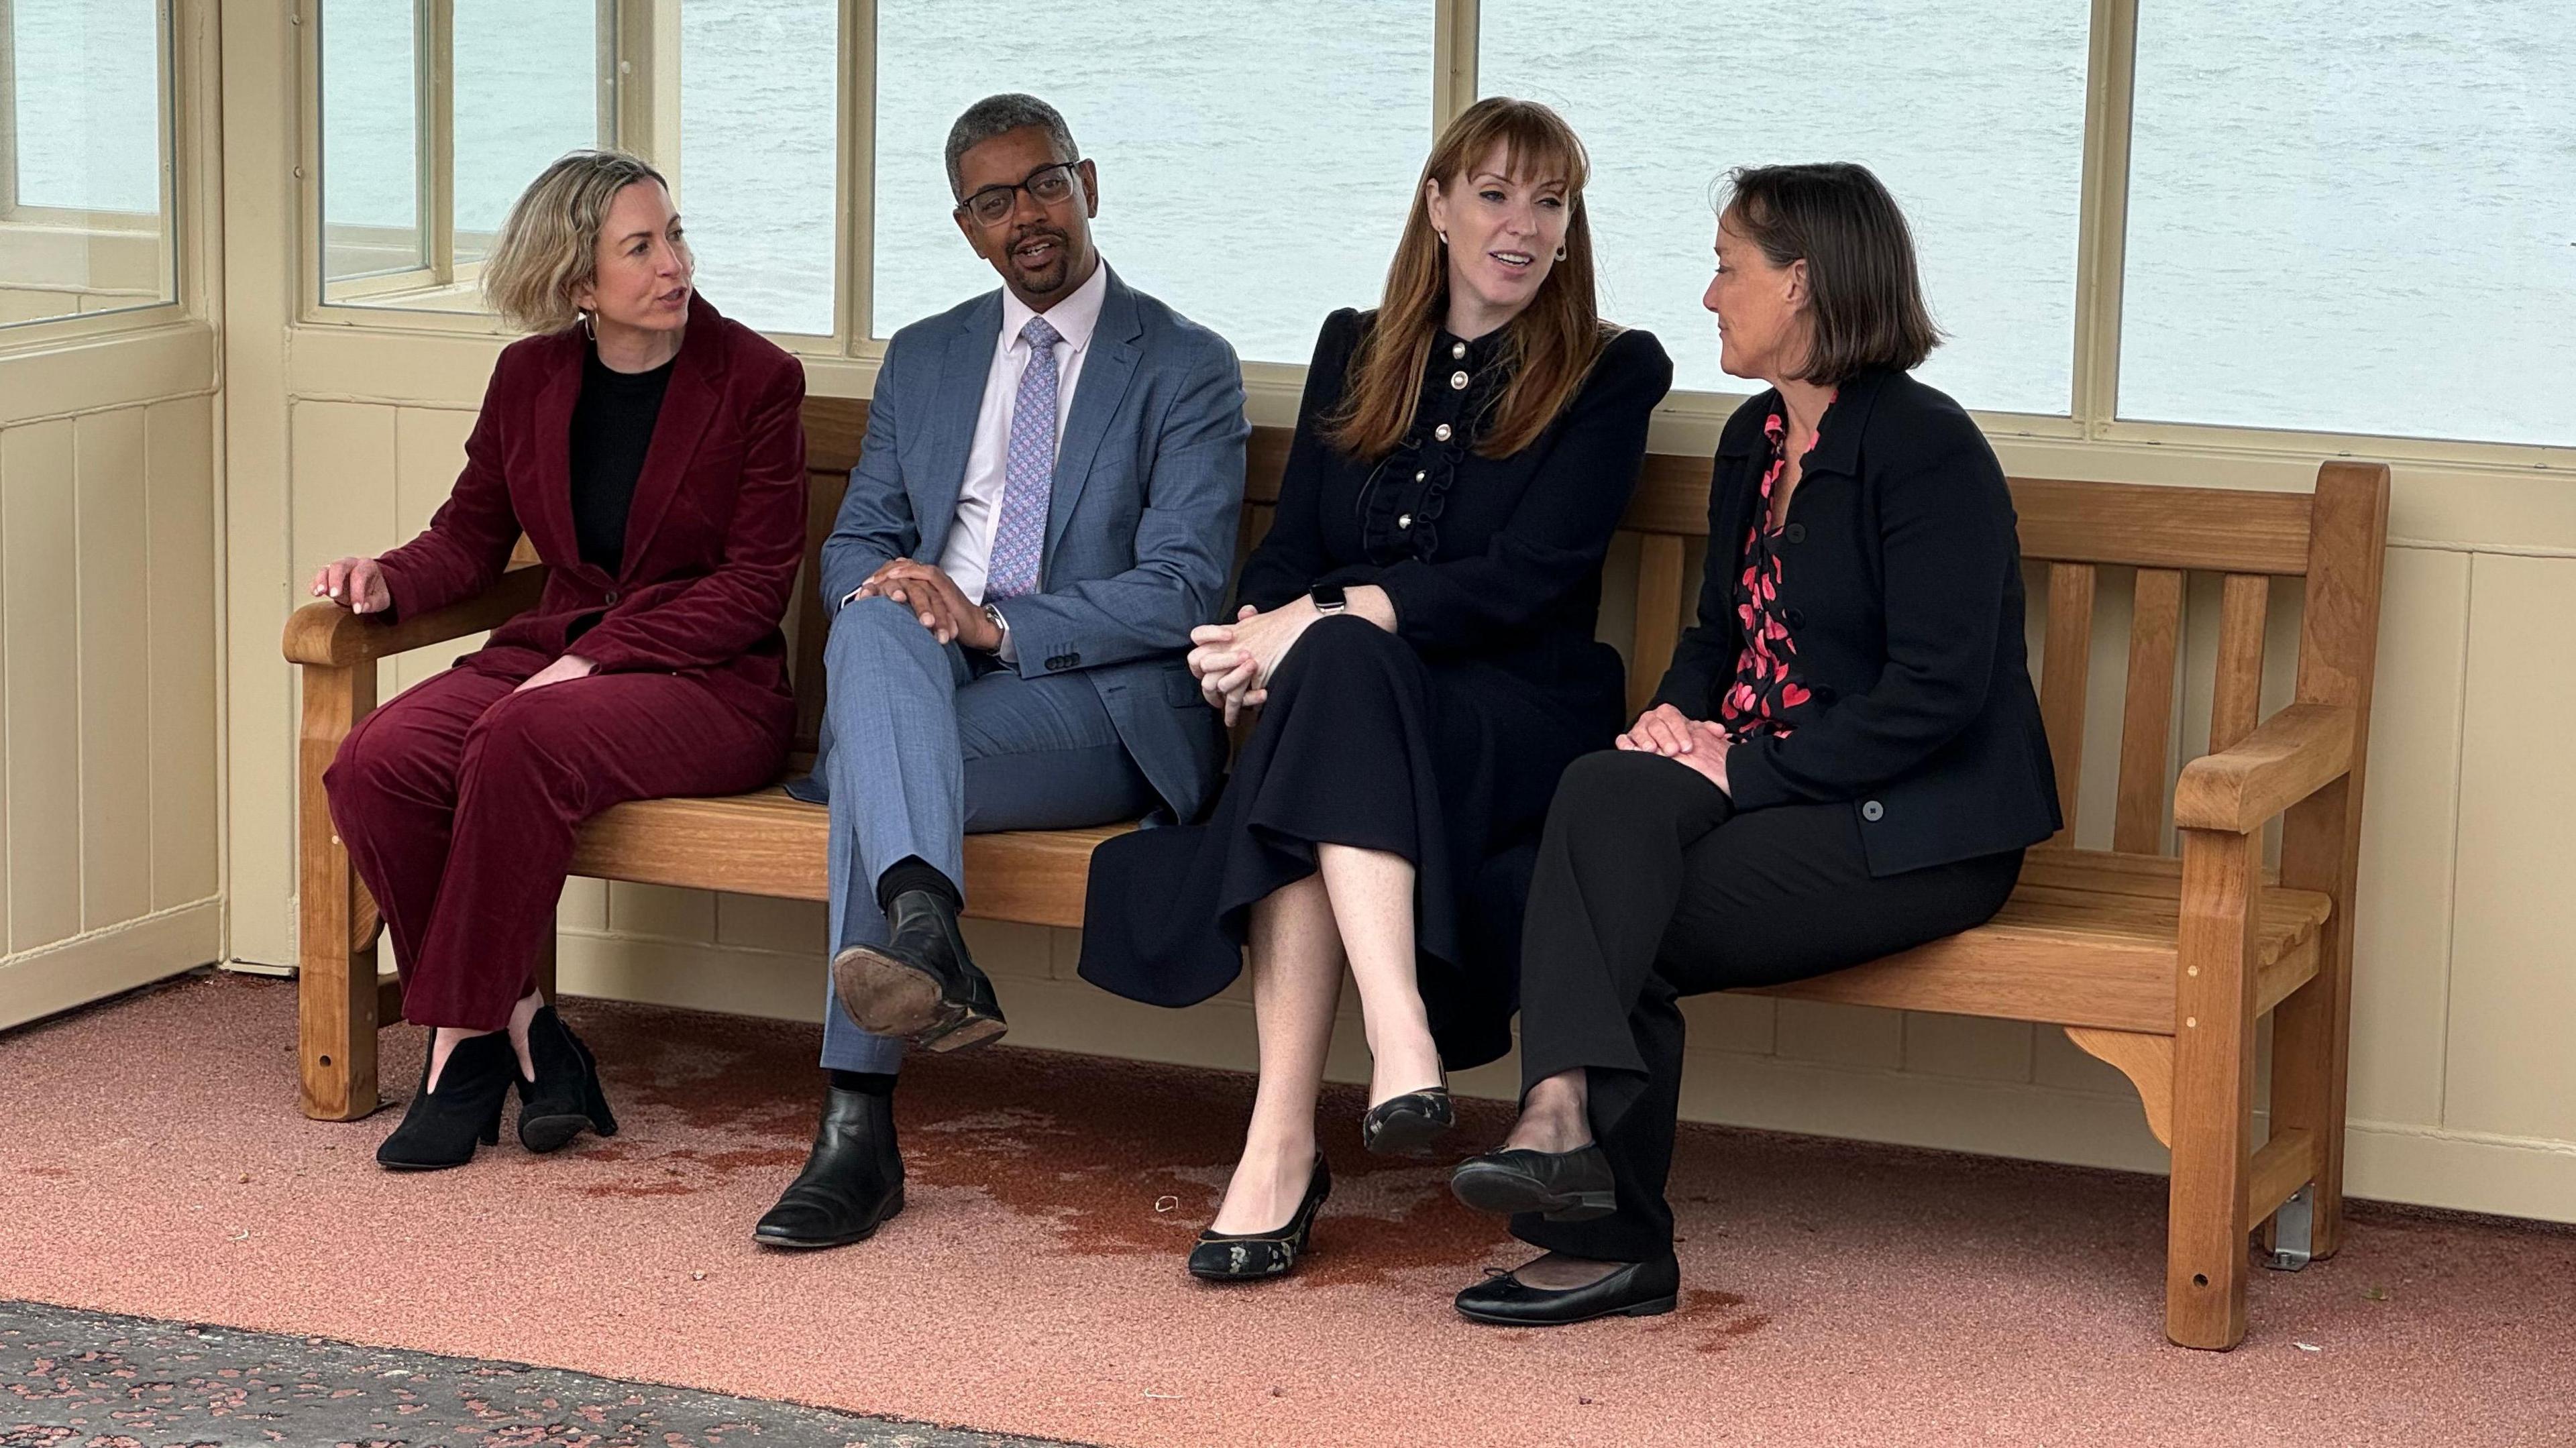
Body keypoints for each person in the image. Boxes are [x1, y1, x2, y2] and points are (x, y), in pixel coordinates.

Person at [1444, 163, 2063, 1325]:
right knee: (1604, 791)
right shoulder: (1756, 438)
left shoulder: (1926, 452)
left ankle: (1600, 1218)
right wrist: (1678, 717)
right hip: (1773, 786)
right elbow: (1720, 632)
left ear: (1805, 283)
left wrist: (1744, 764)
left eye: (1730, 268)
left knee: (1615, 912)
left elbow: (1940, 693)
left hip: (1919, 827)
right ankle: (1564, 1124)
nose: (1710, 293)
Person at [1078, 97, 1672, 1282]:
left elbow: (1529, 577)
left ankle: (1306, 1122)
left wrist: (1321, 624)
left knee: (1333, 675)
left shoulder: (1613, 368)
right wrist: (1251, 637)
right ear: (1439, 205)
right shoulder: (1356, 344)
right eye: (1495, 195)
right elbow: (1293, 548)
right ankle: (1333, 1101)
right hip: (1353, 709)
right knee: (1331, 687)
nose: (1522, 226)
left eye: (1548, 203)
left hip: (1513, 710)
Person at [751, 94, 1250, 1251]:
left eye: (1044, 185)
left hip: (1093, 707)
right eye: (993, 200)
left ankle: (857, 1127)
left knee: (880, 769)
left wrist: (992, 628)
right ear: (966, 227)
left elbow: (1182, 587)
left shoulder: (1183, 363)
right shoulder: (926, 358)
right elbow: (856, 539)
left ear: (1089, 185)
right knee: (874, 618)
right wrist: (911, 596)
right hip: (923, 685)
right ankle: (926, 925)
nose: (1026, 215)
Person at [314, 150, 808, 1171]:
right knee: (377, 762)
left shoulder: (757, 380)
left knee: (521, 733)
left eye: (675, 234)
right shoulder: (530, 378)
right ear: (579, 284)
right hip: (555, 658)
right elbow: (469, 536)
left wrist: (602, 659)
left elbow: (754, 586)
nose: (675, 263)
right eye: (642, 246)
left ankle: (458, 1052)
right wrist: (388, 578)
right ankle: (526, 1024)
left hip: (709, 684)